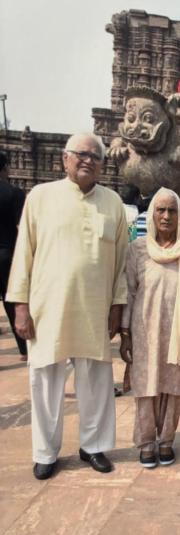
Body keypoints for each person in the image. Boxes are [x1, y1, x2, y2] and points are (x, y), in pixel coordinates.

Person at [7, 133, 128, 480]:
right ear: (65, 159)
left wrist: (117, 306)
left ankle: (93, 446)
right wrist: (20, 306)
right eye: (80, 154)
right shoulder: (41, 197)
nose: (87, 160)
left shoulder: (113, 203)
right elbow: (23, 254)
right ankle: (46, 452)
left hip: (94, 308)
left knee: (96, 381)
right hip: (49, 308)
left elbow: (120, 263)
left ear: (103, 165)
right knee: (46, 380)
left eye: (94, 156)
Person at [120, 188, 180, 468]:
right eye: (161, 210)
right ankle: (146, 442)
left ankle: (167, 440)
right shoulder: (139, 248)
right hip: (145, 329)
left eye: (172, 210)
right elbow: (130, 292)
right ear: (153, 214)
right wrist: (125, 334)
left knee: (173, 386)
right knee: (146, 386)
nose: (166, 216)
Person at [0, 152, 27, 360]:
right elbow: (22, 227)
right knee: (13, 303)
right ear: (5, 168)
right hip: (7, 253)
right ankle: (24, 349)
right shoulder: (14, 193)